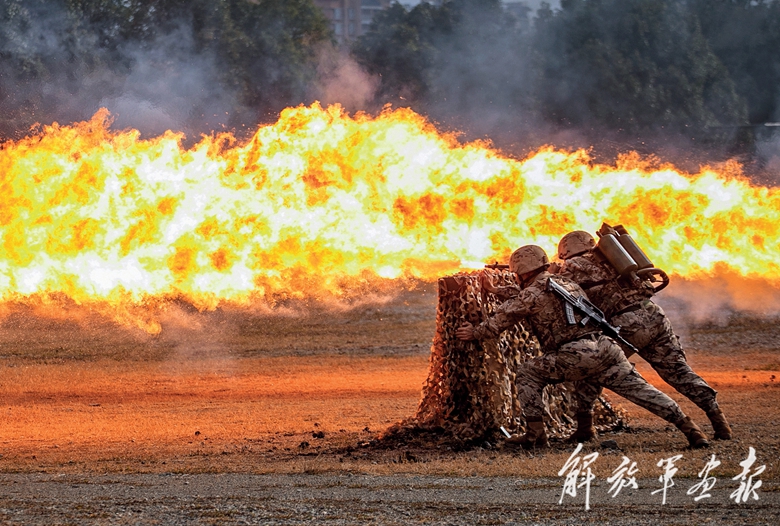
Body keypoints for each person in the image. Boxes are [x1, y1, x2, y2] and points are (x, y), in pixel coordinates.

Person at [456, 245, 710, 449]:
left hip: (575, 353)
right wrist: (497, 289)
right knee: (642, 391)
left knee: (527, 373)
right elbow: (528, 295)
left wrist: (474, 332)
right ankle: (692, 430)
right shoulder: (565, 283)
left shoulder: (531, 293)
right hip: (606, 347)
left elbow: (500, 321)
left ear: (520, 271)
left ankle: (535, 435)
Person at [555, 230, 732, 442]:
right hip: (653, 314)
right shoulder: (614, 258)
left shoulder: (573, 265)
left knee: (594, 369)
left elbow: (558, 290)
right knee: (678, 371)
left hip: (625, 323)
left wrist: (551, 273)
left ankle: (585, 427)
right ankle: (719, 422)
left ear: (566, 251)